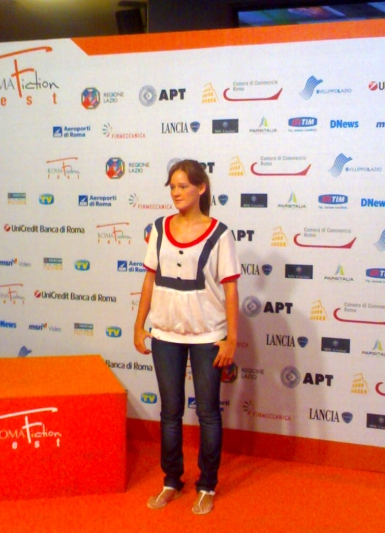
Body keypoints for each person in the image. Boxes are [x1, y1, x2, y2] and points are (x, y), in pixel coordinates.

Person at [134, 159, 240, 515]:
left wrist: (231, 339)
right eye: (173, 187)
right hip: (165, 334)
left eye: (183, 186)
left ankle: (207, 484)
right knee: (170, 412)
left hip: (209, 335)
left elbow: (231, 290)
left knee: (208, 413)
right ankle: (171, 481)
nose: (176, 193)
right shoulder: (159, 228)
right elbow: (149, 279)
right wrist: (139, 325)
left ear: (201, 188)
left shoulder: (220, 234)